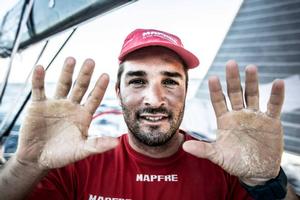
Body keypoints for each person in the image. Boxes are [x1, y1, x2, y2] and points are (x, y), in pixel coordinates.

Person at [0, 28, 287, 199]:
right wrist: (28, 163)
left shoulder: (226, 167)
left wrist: (264, 181)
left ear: (186, 91)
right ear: (118, 92)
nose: (154, 99)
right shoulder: (76, 164)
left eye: (170, 81)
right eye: (137, 81)